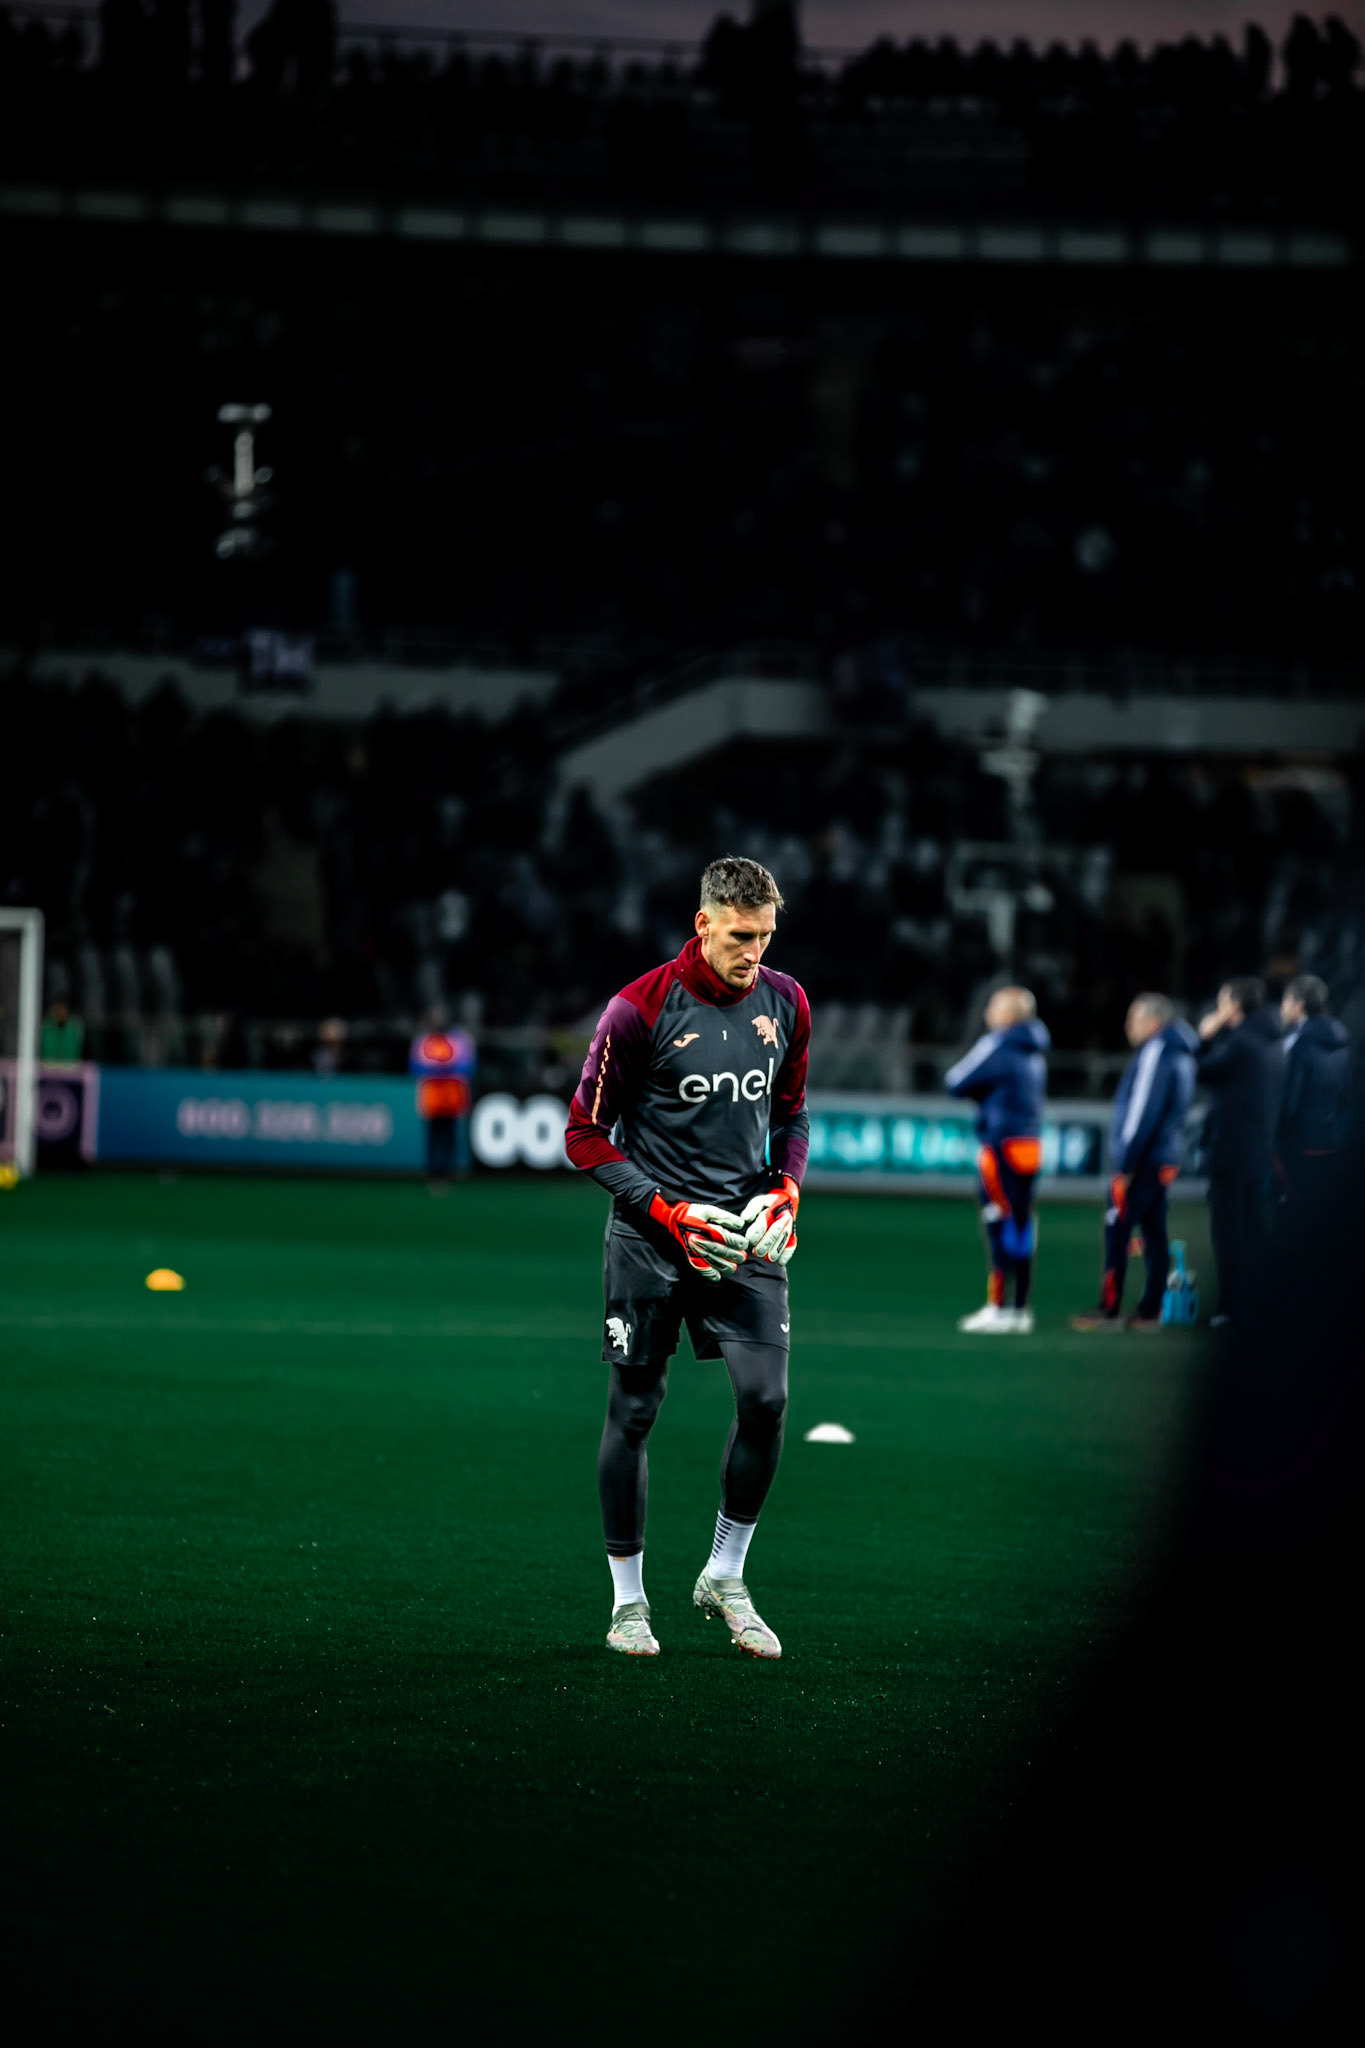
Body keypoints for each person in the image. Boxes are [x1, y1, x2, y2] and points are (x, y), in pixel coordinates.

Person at [564, 856, 810, 1661]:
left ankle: (724, 1575)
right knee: (635, 1411)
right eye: (740, 936)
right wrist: (666, 1209)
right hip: (651, 1238)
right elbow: (583, 1135)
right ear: (702, 924)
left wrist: (786, 1189)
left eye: (765, 936)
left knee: (766, 1399)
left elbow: (791, 1115)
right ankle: (628, 1602)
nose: (754, 952)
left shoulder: (786, 1001)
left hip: (740, 1235)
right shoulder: (637, 1009)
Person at [1072, 995, 1198, 1333]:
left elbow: (1142, 1112)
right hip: (1164, 1156)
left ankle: (1110, 1308)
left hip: (1143, 1159)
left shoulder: (1157, 1052)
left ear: (1153, 1022)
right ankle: (1150, 1309)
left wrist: (1126, 1163)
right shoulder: (1180, 1051)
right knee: (1154, 1232)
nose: (1128, 1026)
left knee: (1118, 1227)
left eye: (1134, 1018)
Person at [945, 986, 1050, 1334]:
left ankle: (999, 1307)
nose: (988, 1012)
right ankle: (1020, 1307)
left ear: (1009, 1014)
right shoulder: (1035, 1048)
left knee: (998, 1221)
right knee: (1021, 1223)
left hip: (1001, 1146)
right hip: (1030, 1145)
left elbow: (956, 1081)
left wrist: (983, 1096)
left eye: (994, 1006)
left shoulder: (998, 1044)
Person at [1196, 976, 1285, 1329]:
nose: (1217, 1009)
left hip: (1231, 1150)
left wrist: (1205, 1036)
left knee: (1229, 1234)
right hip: (1257, 1149)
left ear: (1234, 1005)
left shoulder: (1242, 1042)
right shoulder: (1271, 1039)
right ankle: (1259, 1306)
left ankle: (1230, 1307)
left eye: (1222, 1002)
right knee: (1252, 1231)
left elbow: (1202, 1070)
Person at [1276, 974, 1349, 1212]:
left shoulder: (1299, 1043)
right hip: (1330, 1137)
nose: (1282, 1008)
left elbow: (1289, 1100)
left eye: (1286, 1001)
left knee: (1292, 1212)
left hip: (1298, 1144)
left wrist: (1276, 1134)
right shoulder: (1342, 1040)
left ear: (1299, 1004)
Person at [409, 1009, 476, 1186]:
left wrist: (440, 1069)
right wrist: (443, 1069)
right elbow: (416, 1068)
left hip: (452, 1096)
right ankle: (433, 1172)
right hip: (432, 1097)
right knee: (433, 1134)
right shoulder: (424, 1041)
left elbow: (466, 1066)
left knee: (449, 1134)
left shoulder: (458, 1039)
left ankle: (447, 1171)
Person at [39, 998, 85, 1065]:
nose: (59, 1012)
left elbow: (74, 1051)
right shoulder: (46, 1026)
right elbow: (47, 1051)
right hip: (48, 1065)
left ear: (67, 1010)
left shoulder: (74, 1026)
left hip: (70, 1066)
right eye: (57, 1009)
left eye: (62, 1009)